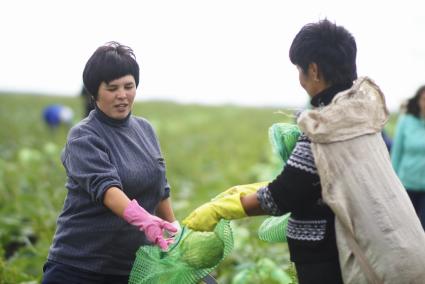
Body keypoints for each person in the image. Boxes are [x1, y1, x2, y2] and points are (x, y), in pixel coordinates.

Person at [183, 20, 425, 284]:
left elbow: (281, 196)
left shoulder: (325, 131)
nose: (300, 79)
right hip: (390, 249)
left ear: (314, 70)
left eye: (300, 70)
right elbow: (321, 182)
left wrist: (221, 209)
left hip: (331, 259)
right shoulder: (362, 120)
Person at [42, 42, 179, 284]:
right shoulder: (84, 136)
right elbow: (107, 189)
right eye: (112, 88)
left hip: (130, 269)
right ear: (94, 93)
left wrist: (174, 231)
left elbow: (161, 188)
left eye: (129, 86)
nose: (122, 95)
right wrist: (144, 220)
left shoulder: (145, 129)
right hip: (79, 268)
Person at [391, 85, 425, 229]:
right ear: (418, 100)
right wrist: (392, 183)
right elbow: (396, 153)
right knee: (406, 229)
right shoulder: (405, 121)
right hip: (406, 185)